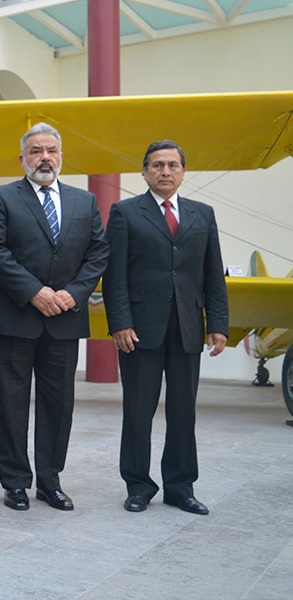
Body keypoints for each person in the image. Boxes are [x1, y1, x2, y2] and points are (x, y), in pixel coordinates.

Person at [0, 123, 108, 512]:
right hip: (15, 317)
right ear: (22, 159)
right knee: (10, 404)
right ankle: (15, 483)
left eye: (51, 150)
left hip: (65, 319)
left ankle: (50, 481)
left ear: (62, 157)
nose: (45, 157)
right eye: (36, 151)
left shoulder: (84, 202)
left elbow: (98, 253)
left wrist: (74, 293)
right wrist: (34, 292)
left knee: (58, 404)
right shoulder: (2, 198)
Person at [103, 140, 228, 515]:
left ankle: (180, 486)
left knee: (182, 410)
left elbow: (213, 275)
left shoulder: (202, 214)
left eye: (173, 165)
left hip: (188, 326)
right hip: (140, 329)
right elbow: (115, 276)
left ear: (183, 171)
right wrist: (120, 322)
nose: (165, 171)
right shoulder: (125, 213)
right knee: (138, 410)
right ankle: (138, 486)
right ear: (144, 172)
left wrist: (218, 324)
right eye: (157, 165)